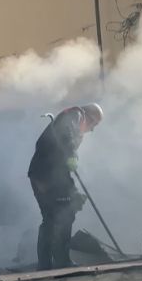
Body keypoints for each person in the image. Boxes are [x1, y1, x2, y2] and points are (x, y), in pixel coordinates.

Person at [28, 103, 103, 269]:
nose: (91, 130)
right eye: (94, 125)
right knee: (58, 216)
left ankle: (48, 263)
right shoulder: (75, 115)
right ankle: (59, 261)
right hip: (46, 176)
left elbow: (63, 165)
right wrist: (72, 154)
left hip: (48, 175)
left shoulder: (76, 126)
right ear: (88, 116)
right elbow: (66, 135)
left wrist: (74, 190)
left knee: (57, 215)